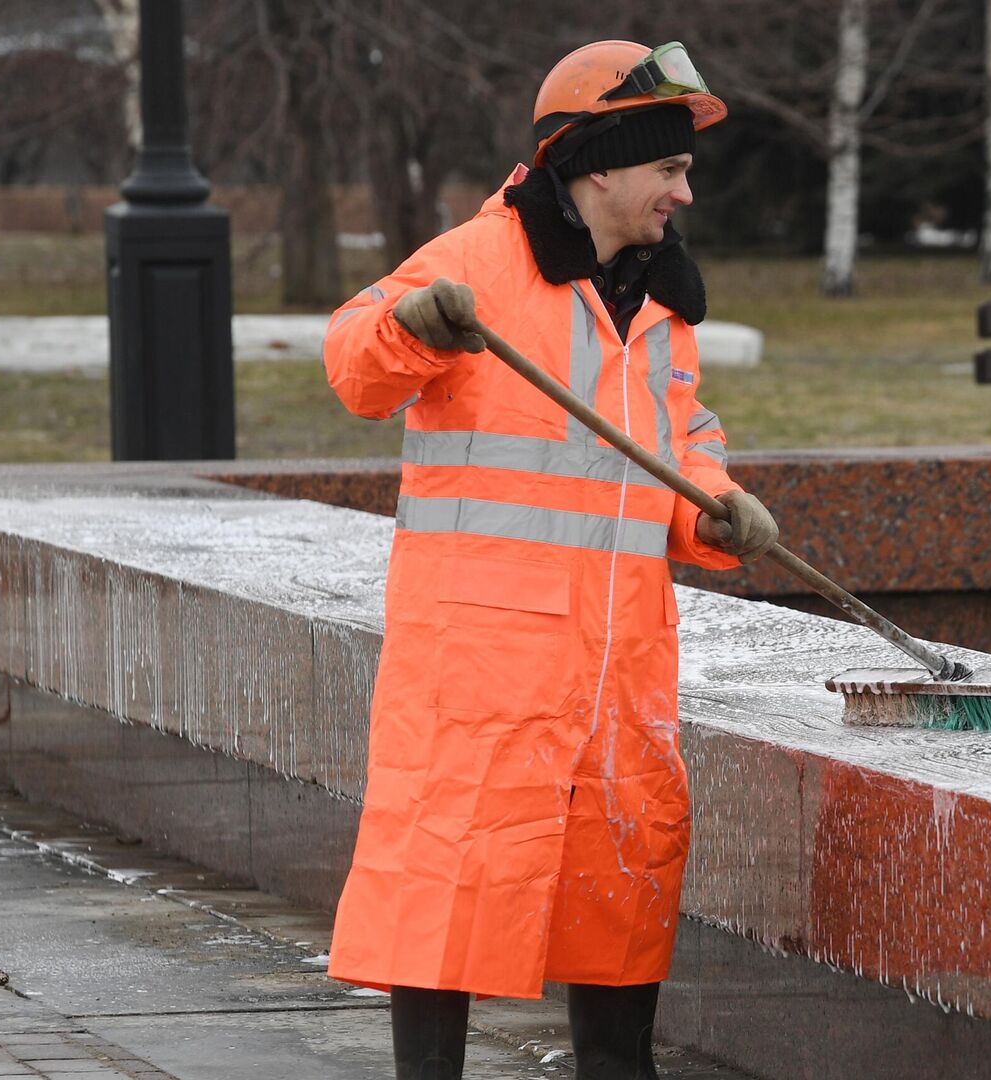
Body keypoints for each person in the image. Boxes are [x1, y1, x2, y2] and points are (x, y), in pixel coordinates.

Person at [320, 39, 778, 1080]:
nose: (685, 190)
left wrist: (712, 509)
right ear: (602, 165)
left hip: (617, 662)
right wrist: (411, 324)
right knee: (445, 887)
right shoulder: (477, 263)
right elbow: (355, 361)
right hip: (481, 663)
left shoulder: (659, 301)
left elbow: (675, 433)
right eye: (669, 167)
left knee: (620, 885)